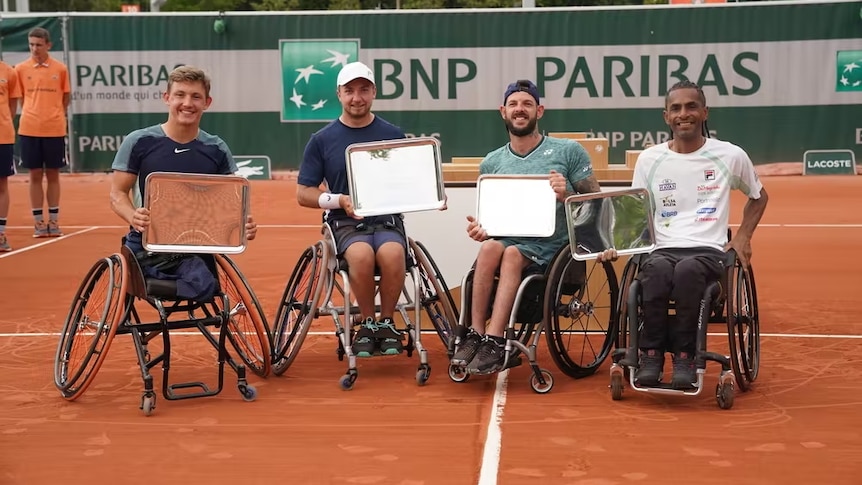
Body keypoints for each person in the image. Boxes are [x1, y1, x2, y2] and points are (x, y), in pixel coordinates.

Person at [603, 80, 768, 390]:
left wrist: (744, 236)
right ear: (666, 116)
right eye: (676, 108)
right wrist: (615, 245)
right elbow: (634, 215)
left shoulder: (730, 155)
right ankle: (650, 354)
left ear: (704, 112)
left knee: (689, 271)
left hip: (707, 250)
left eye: (691, 106)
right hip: (661, 249)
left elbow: (759, 197)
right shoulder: (650, 159)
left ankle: (685, 356)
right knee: (659, 271)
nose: (684, 114)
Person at [452, 79, 602, 375]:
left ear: (540, 111)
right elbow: (491, 222)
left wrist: (567, 195)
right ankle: (475, 334)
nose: (520, 109)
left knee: (509, 256)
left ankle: (495, 339)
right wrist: (481, 229)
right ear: (503, 111)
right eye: (513, 104)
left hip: (553, 248)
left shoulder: (569, 151)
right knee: (490, 247)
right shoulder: (492, 163)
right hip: (508, 242)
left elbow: (596, 204)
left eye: (527, 104)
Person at [296, 61, 436, 358]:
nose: (356, 97)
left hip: (386, 221)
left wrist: (431, 195)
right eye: (349, 91)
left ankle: (385, 323)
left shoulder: (392, 133)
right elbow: (304, 193)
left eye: (363, 90)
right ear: (339, 94)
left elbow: (409, 181)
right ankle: (368, 324)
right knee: (360, 256)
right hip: (344, 223)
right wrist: (340, 200)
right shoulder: (321, 140)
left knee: (393, 254)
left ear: (373, 92)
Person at [109, 66, 257, 300]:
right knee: (202, 282)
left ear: (207, 102)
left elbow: (233, 201)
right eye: (180, 95)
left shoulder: (216, 148)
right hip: (147, 245)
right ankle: (180, 283)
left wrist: (242, 224)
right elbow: (117, 194)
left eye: (195, 97)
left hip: (195, 246)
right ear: (167, 98)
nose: (187, 103)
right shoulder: (139, 141)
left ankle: (188, 283)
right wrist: (132, 216)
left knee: (204, 280)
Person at [15, 27, 71, 238]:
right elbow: (20, 98)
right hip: (29, 128)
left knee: (54, 174)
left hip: (54, 129)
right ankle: (39, 222)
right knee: (35, 174)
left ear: (48, 45)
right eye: (31, 45)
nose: (34, 49)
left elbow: (65, 98)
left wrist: (54, 114)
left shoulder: (61, 69)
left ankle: (54, 220)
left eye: (38, 45)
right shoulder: (20, 69)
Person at [0, 59, 22, 251]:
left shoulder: (9, 72)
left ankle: (0, 232)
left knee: (2, 185)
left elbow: (12, 107)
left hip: (2, 136)